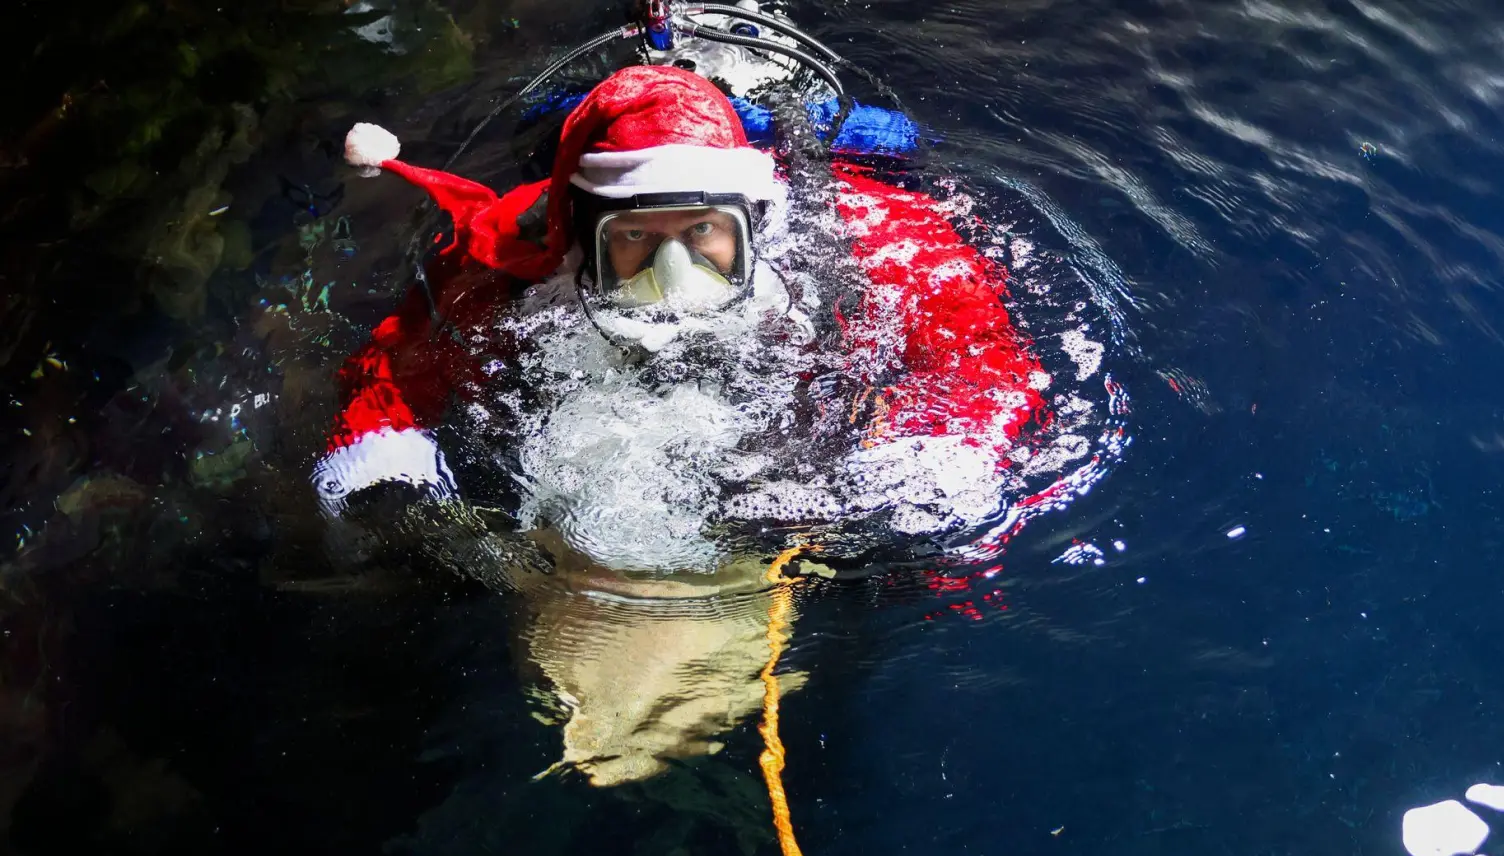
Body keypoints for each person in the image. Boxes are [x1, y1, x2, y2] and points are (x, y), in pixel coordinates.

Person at [312, 65, 1049, 785]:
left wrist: (906, 487)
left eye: (703, 233)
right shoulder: (513, 263)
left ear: (753, 224)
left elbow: (985, 366)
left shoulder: (875, 236)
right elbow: (385, 384)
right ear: (585, 242)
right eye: (635, 240)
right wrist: (406, 505)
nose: (672, 275)